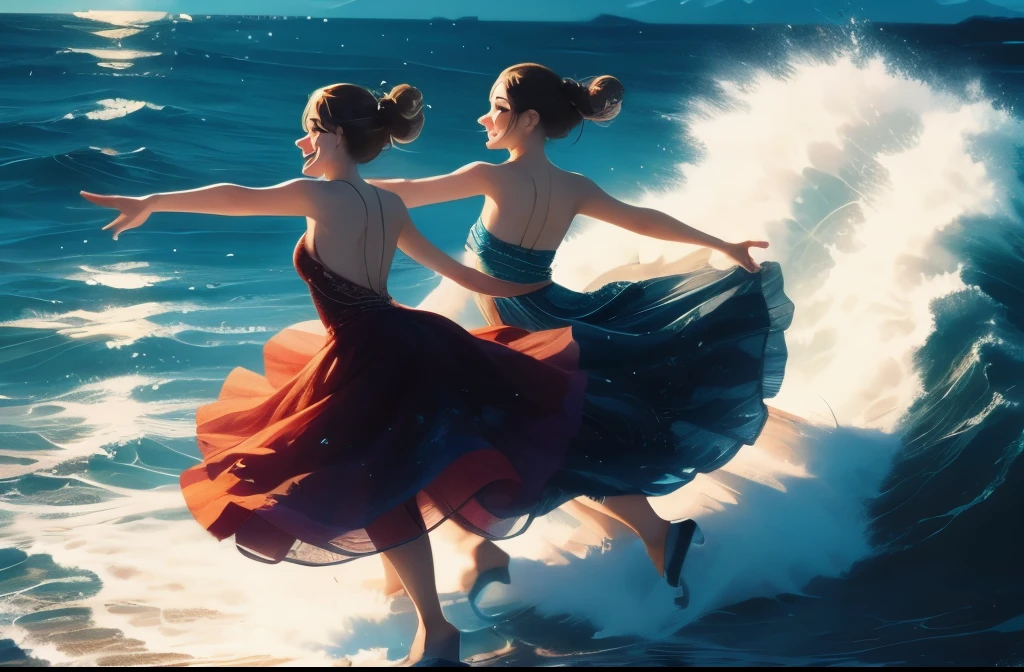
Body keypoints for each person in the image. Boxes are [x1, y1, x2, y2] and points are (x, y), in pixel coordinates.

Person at [80, 81, 596, 666]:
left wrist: (152, 202)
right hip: (408, 338)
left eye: (310, 128)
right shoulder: (387, 202)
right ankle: (405, 594)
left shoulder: (320, 196)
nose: (302, 140)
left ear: (336, 135)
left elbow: (236, 196)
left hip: (368, 354)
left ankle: (437, 628)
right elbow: (461, 272)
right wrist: (530, 292)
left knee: (372, 483)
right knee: (389, 470)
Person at [370, 63, 795, 611]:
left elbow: (408, 192)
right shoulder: (572, 187)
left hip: (526, 330)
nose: (485, 117)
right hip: (551, 316)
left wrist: (338, 186)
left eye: (496, 107)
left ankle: (631, 536)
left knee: (526, 436)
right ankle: (644, 538)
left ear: (527, 119)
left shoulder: (491, 174)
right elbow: (642, 218)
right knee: (564, 440)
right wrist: (721, 242)